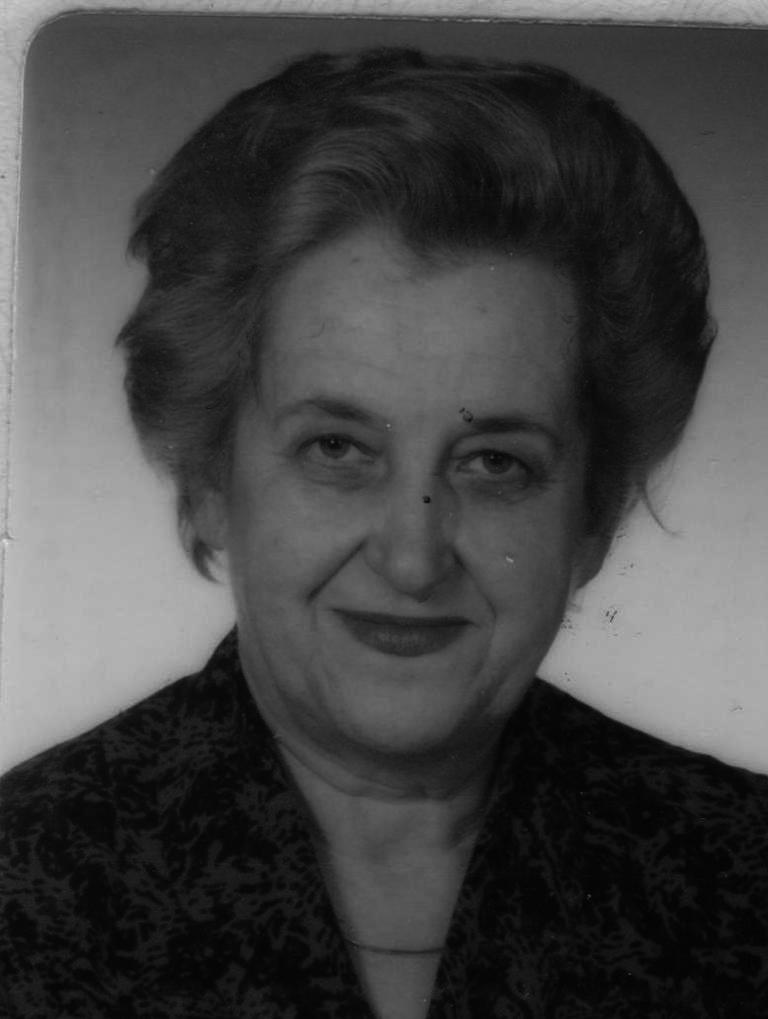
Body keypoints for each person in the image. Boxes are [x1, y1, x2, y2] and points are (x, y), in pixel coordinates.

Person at [1, 46, 766, 1019]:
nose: (413, 559)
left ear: (593, 516)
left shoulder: (744, 870)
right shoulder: (23, 880)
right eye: (337, 448)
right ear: (210, 481)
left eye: (496, 463)